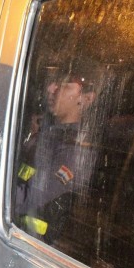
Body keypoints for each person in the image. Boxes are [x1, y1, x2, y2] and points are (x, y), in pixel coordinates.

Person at [14, 57, 104, 244]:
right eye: (54, 82)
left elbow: (29, 198)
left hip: (33, 248)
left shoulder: (75, 150)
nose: (51, 88)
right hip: (16, 233)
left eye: (64, 85)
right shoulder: (46, 131)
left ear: (86, 99)